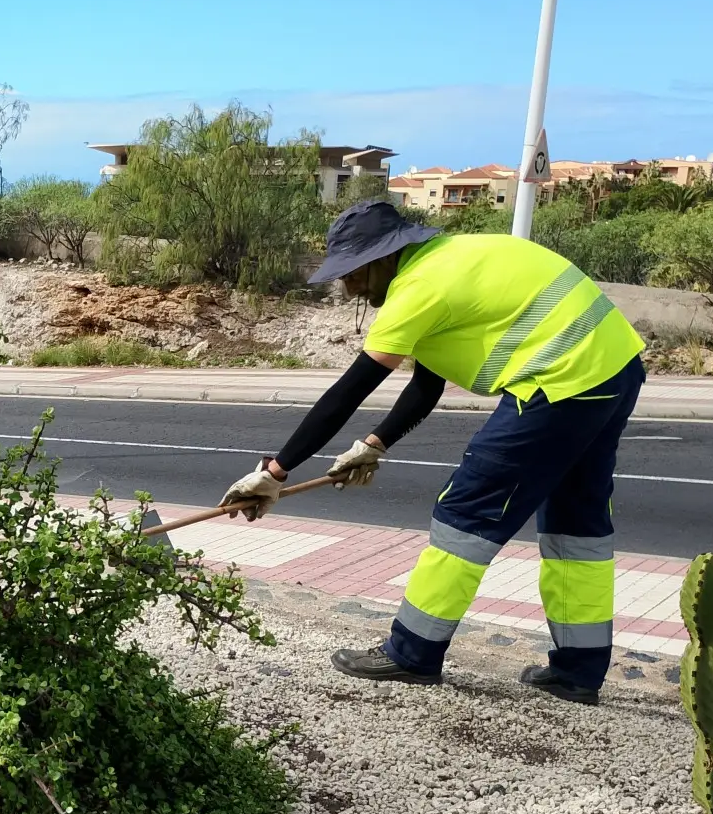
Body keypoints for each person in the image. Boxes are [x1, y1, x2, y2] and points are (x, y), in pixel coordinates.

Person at [220, 199, 646, 706]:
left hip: (558, 381)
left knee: (466, 513)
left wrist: (275, 471)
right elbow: (426, 383)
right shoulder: (451, 259)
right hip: (614, 371)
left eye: (353, 273)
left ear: (384, 257)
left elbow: (348, 392)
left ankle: (411, 653)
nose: (348, 287)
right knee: (577, 526)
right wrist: (372, 445)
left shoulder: (417, 288)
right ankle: (579, 671)